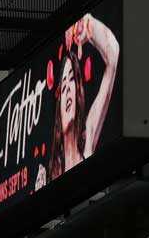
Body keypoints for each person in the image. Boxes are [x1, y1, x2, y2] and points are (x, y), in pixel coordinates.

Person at [49, 13, 120, 179]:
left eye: (71, 80)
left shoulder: (87, 140)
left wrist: (88, 25)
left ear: (78, 92)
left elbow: (113, 55)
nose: (67, 89)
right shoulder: (50, 170)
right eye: (63, 84)